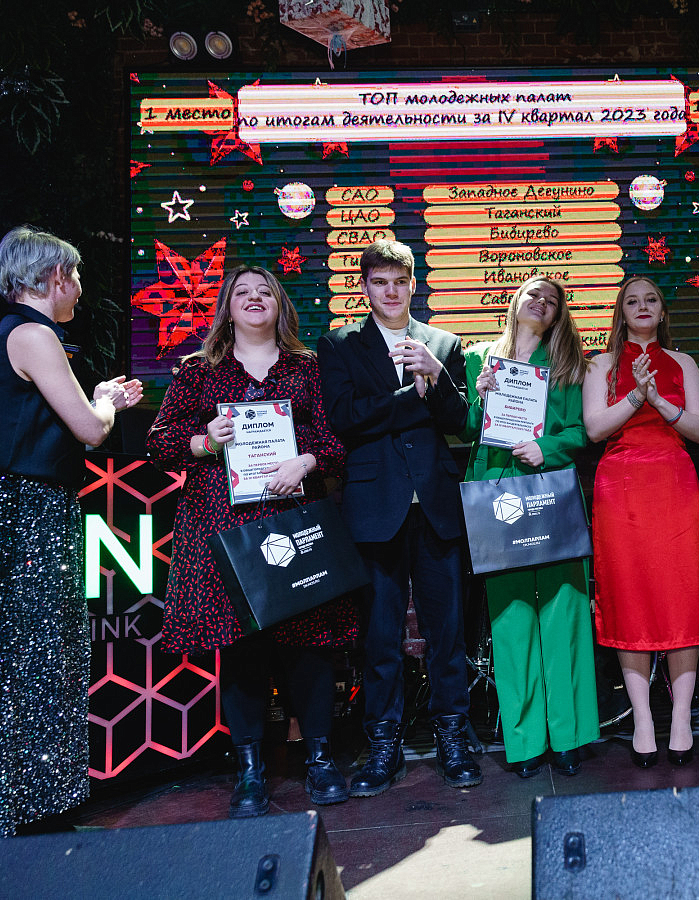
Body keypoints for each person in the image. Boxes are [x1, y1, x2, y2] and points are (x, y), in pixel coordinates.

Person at [147, 265, 352, 818]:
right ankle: (250, 771)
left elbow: (337, 440)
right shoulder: (198, 371)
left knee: (308, 643)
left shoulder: (308, 369)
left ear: (280, 305)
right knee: (241, 647)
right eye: (242, 292)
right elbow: (160, 443)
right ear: (227, 308)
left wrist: (308, 460)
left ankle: (320, 760)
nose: (255, 298)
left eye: (266, 291)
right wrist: (203, 441)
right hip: (220, 525)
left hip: (295, 517)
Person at [317, 239, 481, 792]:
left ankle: (453, 738)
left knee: (446, 633)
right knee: (381, 636)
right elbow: (344, 419)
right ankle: (383, 746)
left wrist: (437, 378)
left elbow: (459, 422)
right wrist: (414, 397)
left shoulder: (443, 343)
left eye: (399, 282)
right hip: (373, 508)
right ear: (365, 288)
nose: (390, 291)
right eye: (379, 282)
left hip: (435, 505)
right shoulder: (339, 344)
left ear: (414, 285)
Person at [0, 226, 142, 836]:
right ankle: (33, 807)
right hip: (30, 510)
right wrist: (107, 400)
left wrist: (97, 399)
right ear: (55, 277)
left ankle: (33, 802)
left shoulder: (19, 333)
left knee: (35, 652)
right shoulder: (32, 333)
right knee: (39, 654)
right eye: (76, 276)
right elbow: (89, 428)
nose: (81, 288)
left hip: (28, 507)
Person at [462, 276, 599, 778]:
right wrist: (479, 399)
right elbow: (467, 428)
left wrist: (548, 448)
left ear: (559, 313)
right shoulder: (478, 358)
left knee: (565, 616)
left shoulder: (570, 366)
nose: (541, 302)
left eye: (552, 300)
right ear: (515, 301)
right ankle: (523, 743)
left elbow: (581, 431)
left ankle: (569, 736)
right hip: (496, 496)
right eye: (533, 294)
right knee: (511, 621)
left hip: (551, 494)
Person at [584, 276, 699, 767]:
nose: (642, 307)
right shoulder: (600, 364)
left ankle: (680, 717)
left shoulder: (683, 363)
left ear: (662, 311)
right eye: (632, 301)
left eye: (651, 300)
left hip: (673, 484)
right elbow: (594, 429)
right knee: (630, 598)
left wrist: (658, 399)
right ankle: (642, 718)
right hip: (620, 487)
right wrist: (636, 397)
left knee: (680, 596)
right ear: (621, 313)